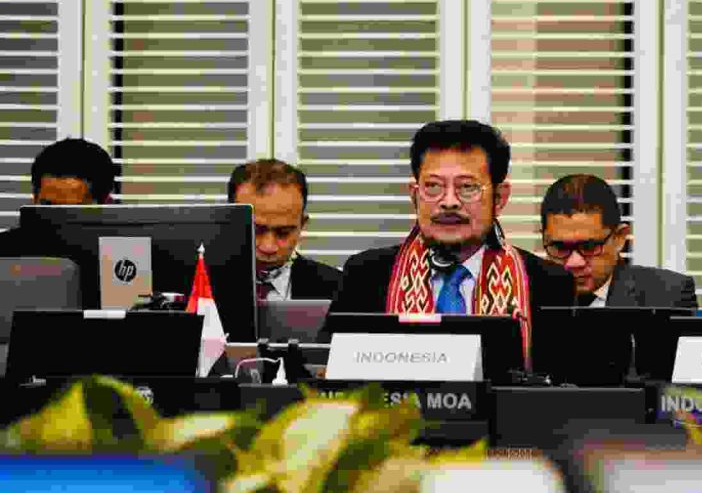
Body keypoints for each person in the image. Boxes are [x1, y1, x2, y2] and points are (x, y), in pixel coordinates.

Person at [320, 120, 575, 371]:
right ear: (414, 195)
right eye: (433, 186)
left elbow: (563, 388)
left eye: (467, 187)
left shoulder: (548, 284)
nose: (449, 202)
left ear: (499, 198)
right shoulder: (366, 275)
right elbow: (324, 374)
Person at [541, 173, 697, 308]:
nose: (574, 263)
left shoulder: (667, 295)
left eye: (589, 247)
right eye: (560, 248)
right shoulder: (529, 296)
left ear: (619, 238)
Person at [227, 159, 345, 319]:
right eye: (256, 230)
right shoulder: (197, 284)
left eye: (283, 232)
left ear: (302, 224)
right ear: (229, 220)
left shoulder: (340, 290)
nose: (268, 247)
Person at [0, 138, 116, 257]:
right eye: (48, 208)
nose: (57, 222)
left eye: (71, 211)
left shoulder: (118, 253)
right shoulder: (4, 251)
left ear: (104, 204)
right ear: (35, 199)